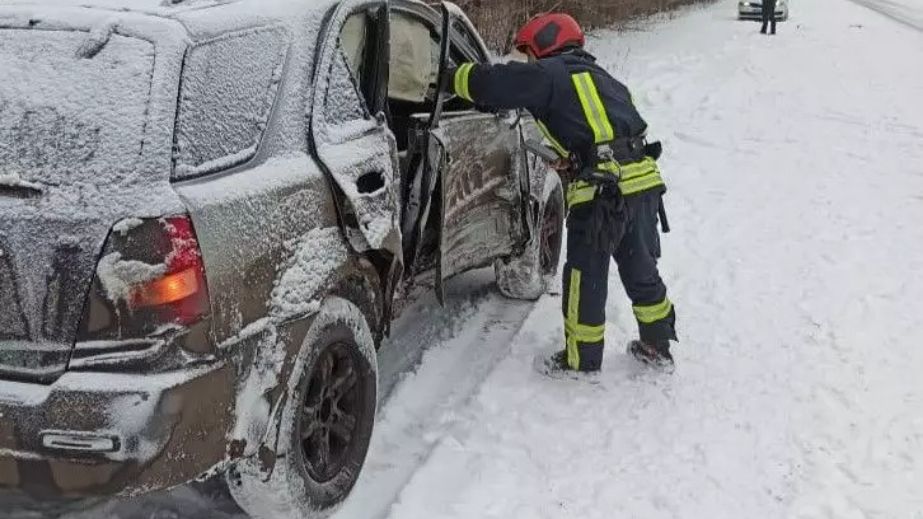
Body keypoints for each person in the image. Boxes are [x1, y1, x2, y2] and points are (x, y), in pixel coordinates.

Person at [443, 13, 678, 373]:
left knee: (586, 277)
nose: (530, 61)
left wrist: (448, 77)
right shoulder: (606, 80)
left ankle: (581, 361)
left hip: (602, 192)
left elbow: (493, 84)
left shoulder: (550, 73)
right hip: (643, 182)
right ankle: (657, 343)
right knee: (640, 266)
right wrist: (574, 160)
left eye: (530, 54)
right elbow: (604, 132)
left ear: (544, 44)